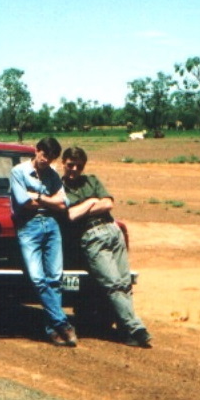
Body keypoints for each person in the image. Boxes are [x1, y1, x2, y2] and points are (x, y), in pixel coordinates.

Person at [60, 146, 152, 348]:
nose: (74, 169)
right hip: (91, 236)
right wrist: (93, 200)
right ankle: (136, 328)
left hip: (112, 230)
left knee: (124, 282)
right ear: (63, 163)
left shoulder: (91, 180)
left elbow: (108, 204)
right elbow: (70, 215)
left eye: (78, 166)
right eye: (70, 165)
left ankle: (125, 328)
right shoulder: (59, 188)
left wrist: (85, 206)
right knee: (112, 284)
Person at [10, 137, 76, 346]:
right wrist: (49, 201)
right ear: (37, 151)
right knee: (38, 278)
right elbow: (24, 202)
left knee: (55, 278)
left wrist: (39, 196)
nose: (47, 160)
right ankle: (63, 323)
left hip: (52, 226)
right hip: (29, 227)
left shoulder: (53, 174)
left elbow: (63, 203)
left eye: (51, 157)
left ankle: (53, 330)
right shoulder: (18, 172)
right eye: (45, 155)